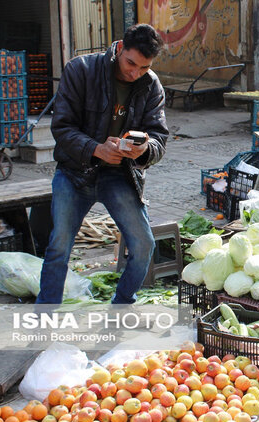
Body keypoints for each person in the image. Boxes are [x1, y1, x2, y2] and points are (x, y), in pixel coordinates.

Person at [36, 24, 168, 305]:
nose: (135, 73)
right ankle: (43, 318)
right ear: (119, 48)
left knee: (144, 245)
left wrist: (144, 150)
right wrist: (96, 149)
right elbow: (62, 127)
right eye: (131, 63)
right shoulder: (80, 69)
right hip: (74, 171)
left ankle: (122, 305)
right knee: (59, 246)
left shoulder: (151, 84)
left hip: (119, 175)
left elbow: (159, 138)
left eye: (144, 68)